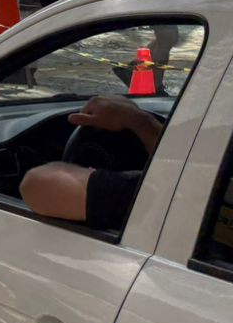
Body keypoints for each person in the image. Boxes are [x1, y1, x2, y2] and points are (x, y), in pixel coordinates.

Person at [19, 95, 164, 232]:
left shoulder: (150, 196)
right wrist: (139, 120)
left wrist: (94, 177)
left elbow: (37, 185)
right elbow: (178, 163)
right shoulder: (179, 184)